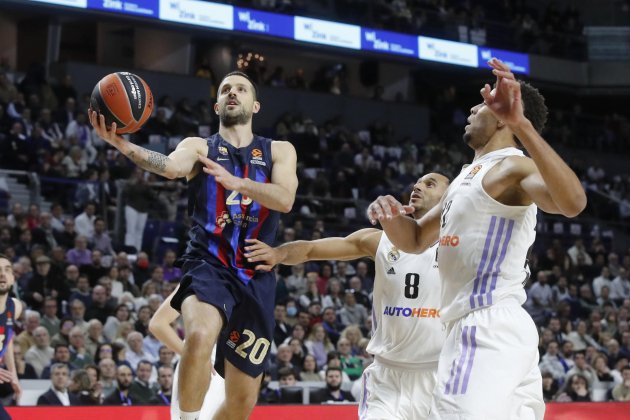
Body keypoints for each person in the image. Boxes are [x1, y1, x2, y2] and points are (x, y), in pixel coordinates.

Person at [366, 59, 587, 420]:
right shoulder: (465, 178)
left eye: (482, 104)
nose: (472, 108)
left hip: (484, 325)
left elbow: (573, 203)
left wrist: (524, 127)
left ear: (504, 117)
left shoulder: (513, 166)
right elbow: (418, 238)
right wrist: (389, 217)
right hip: (484, 328)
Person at [91, 70, 298, 420]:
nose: (233, 93)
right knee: (200, 334)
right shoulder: (200, 147)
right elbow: (170, 167)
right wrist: (124, 146)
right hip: (209, 265)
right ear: (217, 104)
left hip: (255, 275)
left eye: (242, 89)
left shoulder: (279, 150)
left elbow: (285, 199)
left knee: (240, 402)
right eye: (226, 89)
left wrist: (238, 182)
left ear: (255, 104)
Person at [243, 173, 449, 418]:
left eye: (429, 184)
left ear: (450, 195)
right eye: (416, 183)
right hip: (388, 377)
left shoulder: (461, 243)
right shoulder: (380, 241)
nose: (418, 186)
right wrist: (278, 254)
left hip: (439, 374)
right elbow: (311, 250)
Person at [148, 286, 225, 419]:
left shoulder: (251, 279)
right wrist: (195, 356)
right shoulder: (199, 275)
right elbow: (158, 324)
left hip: (232, 360)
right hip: (203, 355)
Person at [0, 254, 23, 413]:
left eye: (7, 270)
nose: (2, 274)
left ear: (13, 278)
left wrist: (13, 374)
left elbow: (6, 339)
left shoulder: (14, 307)